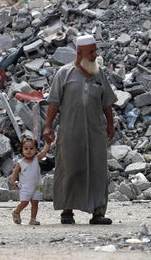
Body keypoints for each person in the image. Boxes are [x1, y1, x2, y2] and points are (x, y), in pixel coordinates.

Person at [42, 34, 118, 225]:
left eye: (95, 50)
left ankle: (97, 212)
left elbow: (106, 102)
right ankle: (67, 211)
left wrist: (110, 124)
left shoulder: (99, 74)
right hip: (70, 131)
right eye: (91, 51)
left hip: (95, 132)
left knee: (98, 171)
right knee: (70, 168)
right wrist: (48, 126)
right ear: (79, 52)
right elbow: (53, 103)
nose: (95, 55)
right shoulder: (64, 74)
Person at [10, 137, 51, 225]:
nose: (29, 151)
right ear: (22, 150)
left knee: (35, 203)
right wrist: (13, 182)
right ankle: (16, 212)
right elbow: (15, 173)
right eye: (26, 148)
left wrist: (48, 143)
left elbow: (43, 153)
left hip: (37, 186)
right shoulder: (20, 163)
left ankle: (33, 219)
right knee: (24, 203)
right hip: (25, 187)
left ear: (36, 149)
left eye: (31, 148)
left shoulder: (36, 158)